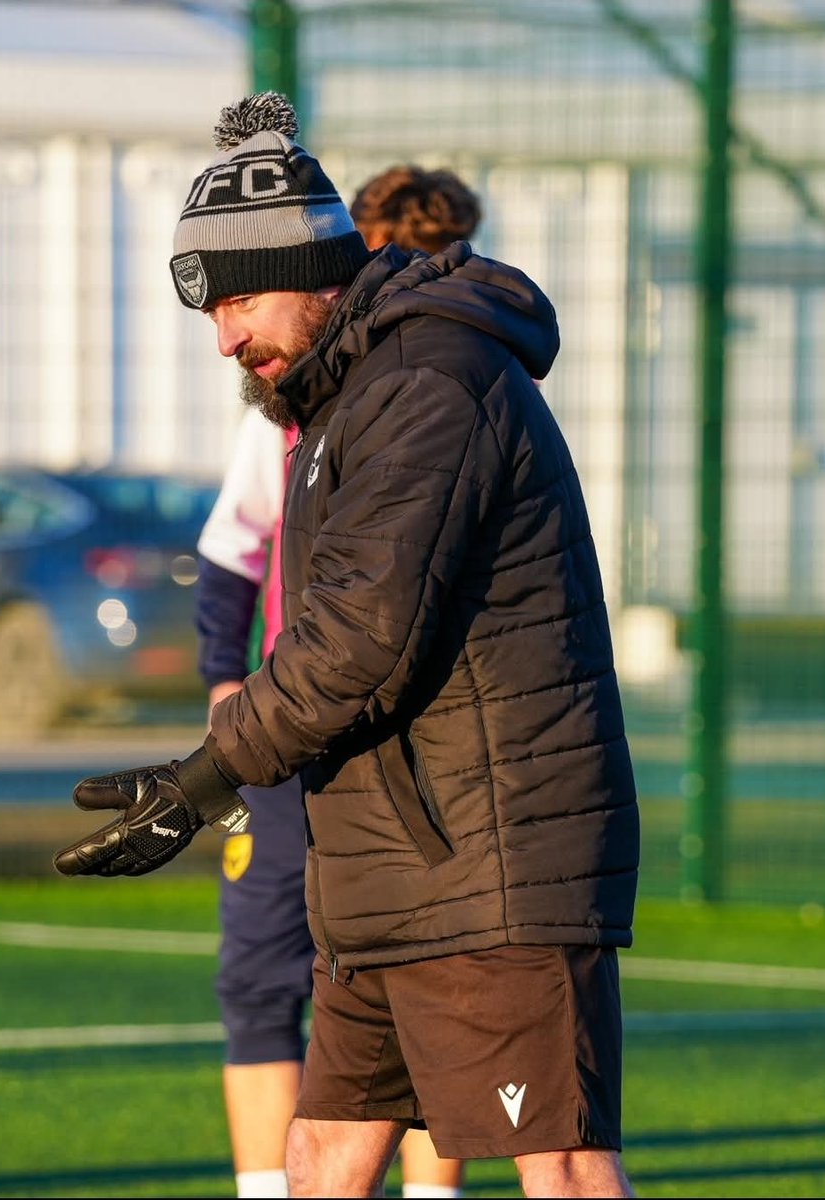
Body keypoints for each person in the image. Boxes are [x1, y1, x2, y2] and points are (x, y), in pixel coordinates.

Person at [55, 91, 640, 1199]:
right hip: (386, 868)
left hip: (488, 868)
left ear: (314, 269)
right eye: (210, 313)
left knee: (559, 1163)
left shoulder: (428, 382)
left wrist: (205, 774)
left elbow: (357, 639)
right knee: (322, 1155)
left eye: (240, 301)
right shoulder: (342, 396)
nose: (226, 338)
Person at [195, 165, 482, 1199]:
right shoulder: (287, 411)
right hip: (293, 735)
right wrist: (224, 685)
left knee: (420, 987)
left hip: (402, 742)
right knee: (276, 981)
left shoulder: (456, 393)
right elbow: (231, 552)